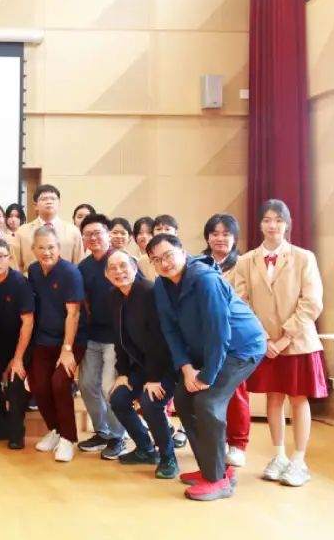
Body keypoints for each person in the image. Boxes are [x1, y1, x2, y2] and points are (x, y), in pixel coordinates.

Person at [148, 233, 266, 501]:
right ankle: (214, 468)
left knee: (207, 401)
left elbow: (218, 331)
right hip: (205, 351)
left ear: (182, 251)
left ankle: (217, 480)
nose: (164, 264)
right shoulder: (162, 285)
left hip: (242, 347)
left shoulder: (205, 280)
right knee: (183, 398)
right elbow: (170, 329)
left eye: (168, 255)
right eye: (156, 260)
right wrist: (186, 368)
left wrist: (207, 376)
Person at [232, 200, 325, 487]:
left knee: (298, 398)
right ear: (260, 224)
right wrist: (264, 338)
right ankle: (279, 456)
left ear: (287, 224)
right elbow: (241, 302)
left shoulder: (304, 257)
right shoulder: (246, 261)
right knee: (273, 397)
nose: (272, 225)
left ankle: (299, 460)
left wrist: (284, 338)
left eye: (278, 220)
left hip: (297, 341)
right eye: (267, 220)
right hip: (265, 342)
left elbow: (311, 303)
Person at [104, 249, 179, 479]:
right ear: (107, 274)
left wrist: (154, 378)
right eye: (113, 268)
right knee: (118, 398)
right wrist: (123, 373)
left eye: (123, 266)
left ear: (135, 268)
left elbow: (160, 339)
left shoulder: (149, 292)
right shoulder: (114, 296)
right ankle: (145, 449)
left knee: (150, 403)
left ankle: (168, 457)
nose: (119, 272)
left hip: (167, 365)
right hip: (141, 365)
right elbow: (119, 339)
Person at [26, 226, 85, 463]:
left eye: (51, 247)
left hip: (70, 340)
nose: (46, 252)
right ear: (33, 249)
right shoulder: (33, 270)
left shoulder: (70, 273)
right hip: (43, 339)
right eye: (41, 247)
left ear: (59, 248)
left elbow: (73, 314)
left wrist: (67, 349)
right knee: (39, 385)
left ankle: (68, 438)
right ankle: (56, 430)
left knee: (59, 383)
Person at [75, 214, 128, 460]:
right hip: (93, 335)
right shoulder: (84, 267)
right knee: (86, 384)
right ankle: (102, 431)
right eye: (88, 234)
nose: (93, 238)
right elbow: (84, 302)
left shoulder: (121, 261)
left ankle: (118, 436)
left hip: (117, 338)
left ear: (108, 234)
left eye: (98, 232)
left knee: (109, 387)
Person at [203, 212, 249, 467]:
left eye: (226, 234)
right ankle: (214, 442)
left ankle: (238, 444)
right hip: (205, 339)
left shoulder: (243, 264)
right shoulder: (198, 264)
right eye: (215, 233)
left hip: (236, 339)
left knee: (235, 393)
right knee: (208, 392)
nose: (220, 238)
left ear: (235, 238)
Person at [0, 238, 35, 449]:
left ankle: (16, 432)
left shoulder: (20, 283)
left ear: (9, 258)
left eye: (0, 257)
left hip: (22, 342)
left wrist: (18, 358)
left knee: (15, 382)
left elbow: (28, 322)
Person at [14, 184, 83, 271]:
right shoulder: (22, 231)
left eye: (53, 199)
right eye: (44, 199)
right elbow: (16, 265)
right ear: (35, 205)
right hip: (31, 279)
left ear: (59, 203)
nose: (49, 202)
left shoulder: (73, 231)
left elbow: (79, 264)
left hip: (64, 278)